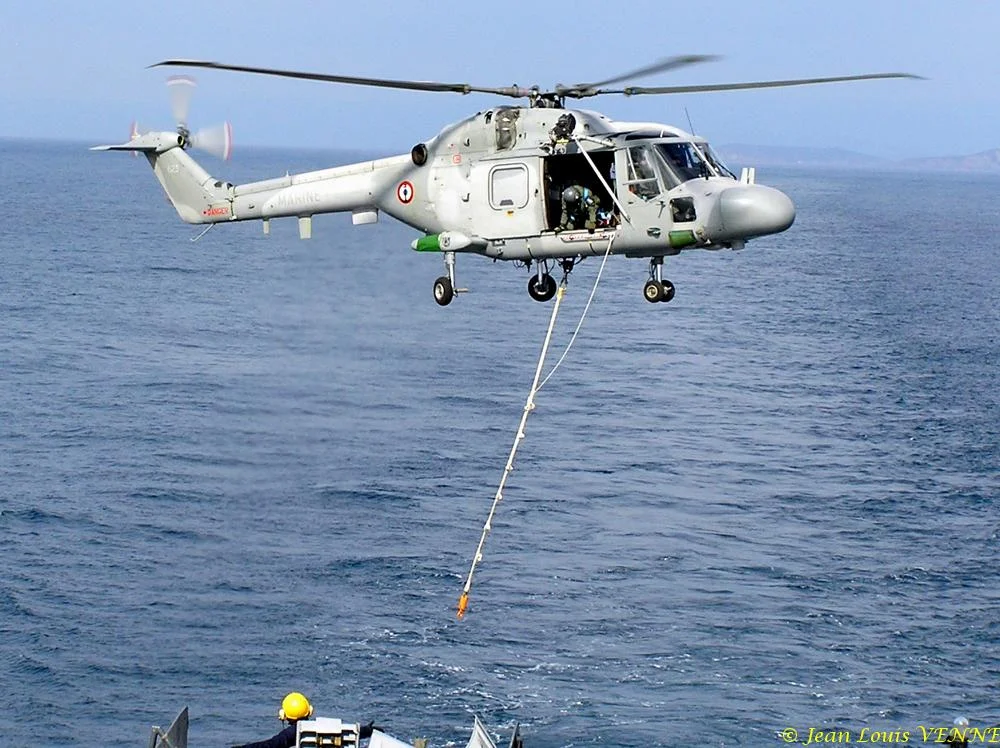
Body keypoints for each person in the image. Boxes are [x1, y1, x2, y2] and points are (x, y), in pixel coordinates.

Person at [231, 692, 376, 748]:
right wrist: (369, 730)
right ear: (309, 711)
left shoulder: (292, 734)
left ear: (284, 715)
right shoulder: (334, 729)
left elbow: (269, 746)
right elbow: (357, 732)